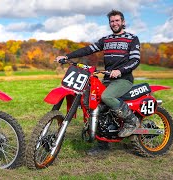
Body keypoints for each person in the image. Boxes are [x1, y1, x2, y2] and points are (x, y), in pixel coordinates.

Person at [56, 10, 141, 155]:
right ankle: (103, 145)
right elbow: (88, 49)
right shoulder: (106, 40)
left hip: (123, 79)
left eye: (117, 21)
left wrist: (120, 71)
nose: (114, 23)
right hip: (107, 79)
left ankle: (132, 121)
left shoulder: (132, 39)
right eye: (112, 21)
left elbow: (135, 60)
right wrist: (67, 56)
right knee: (95, 106)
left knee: (107, 97)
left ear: (123, 22)